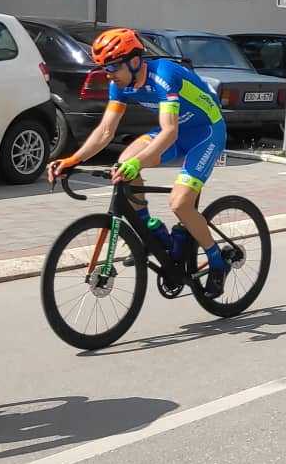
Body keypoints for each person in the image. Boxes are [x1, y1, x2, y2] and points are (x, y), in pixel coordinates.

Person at [49, 28, 232, 296]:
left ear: (134, 61)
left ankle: (217, 261)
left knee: (180, 203)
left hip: (206, 133)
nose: (109, 74)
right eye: (104, 68)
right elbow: (105, 131)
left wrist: (138, 163)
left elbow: (169, 132)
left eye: (113, 66)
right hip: (176, 131)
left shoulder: (164, 76)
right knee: (123, 162)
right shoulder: (119, 84)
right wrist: (72, 160)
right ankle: (152, 233)